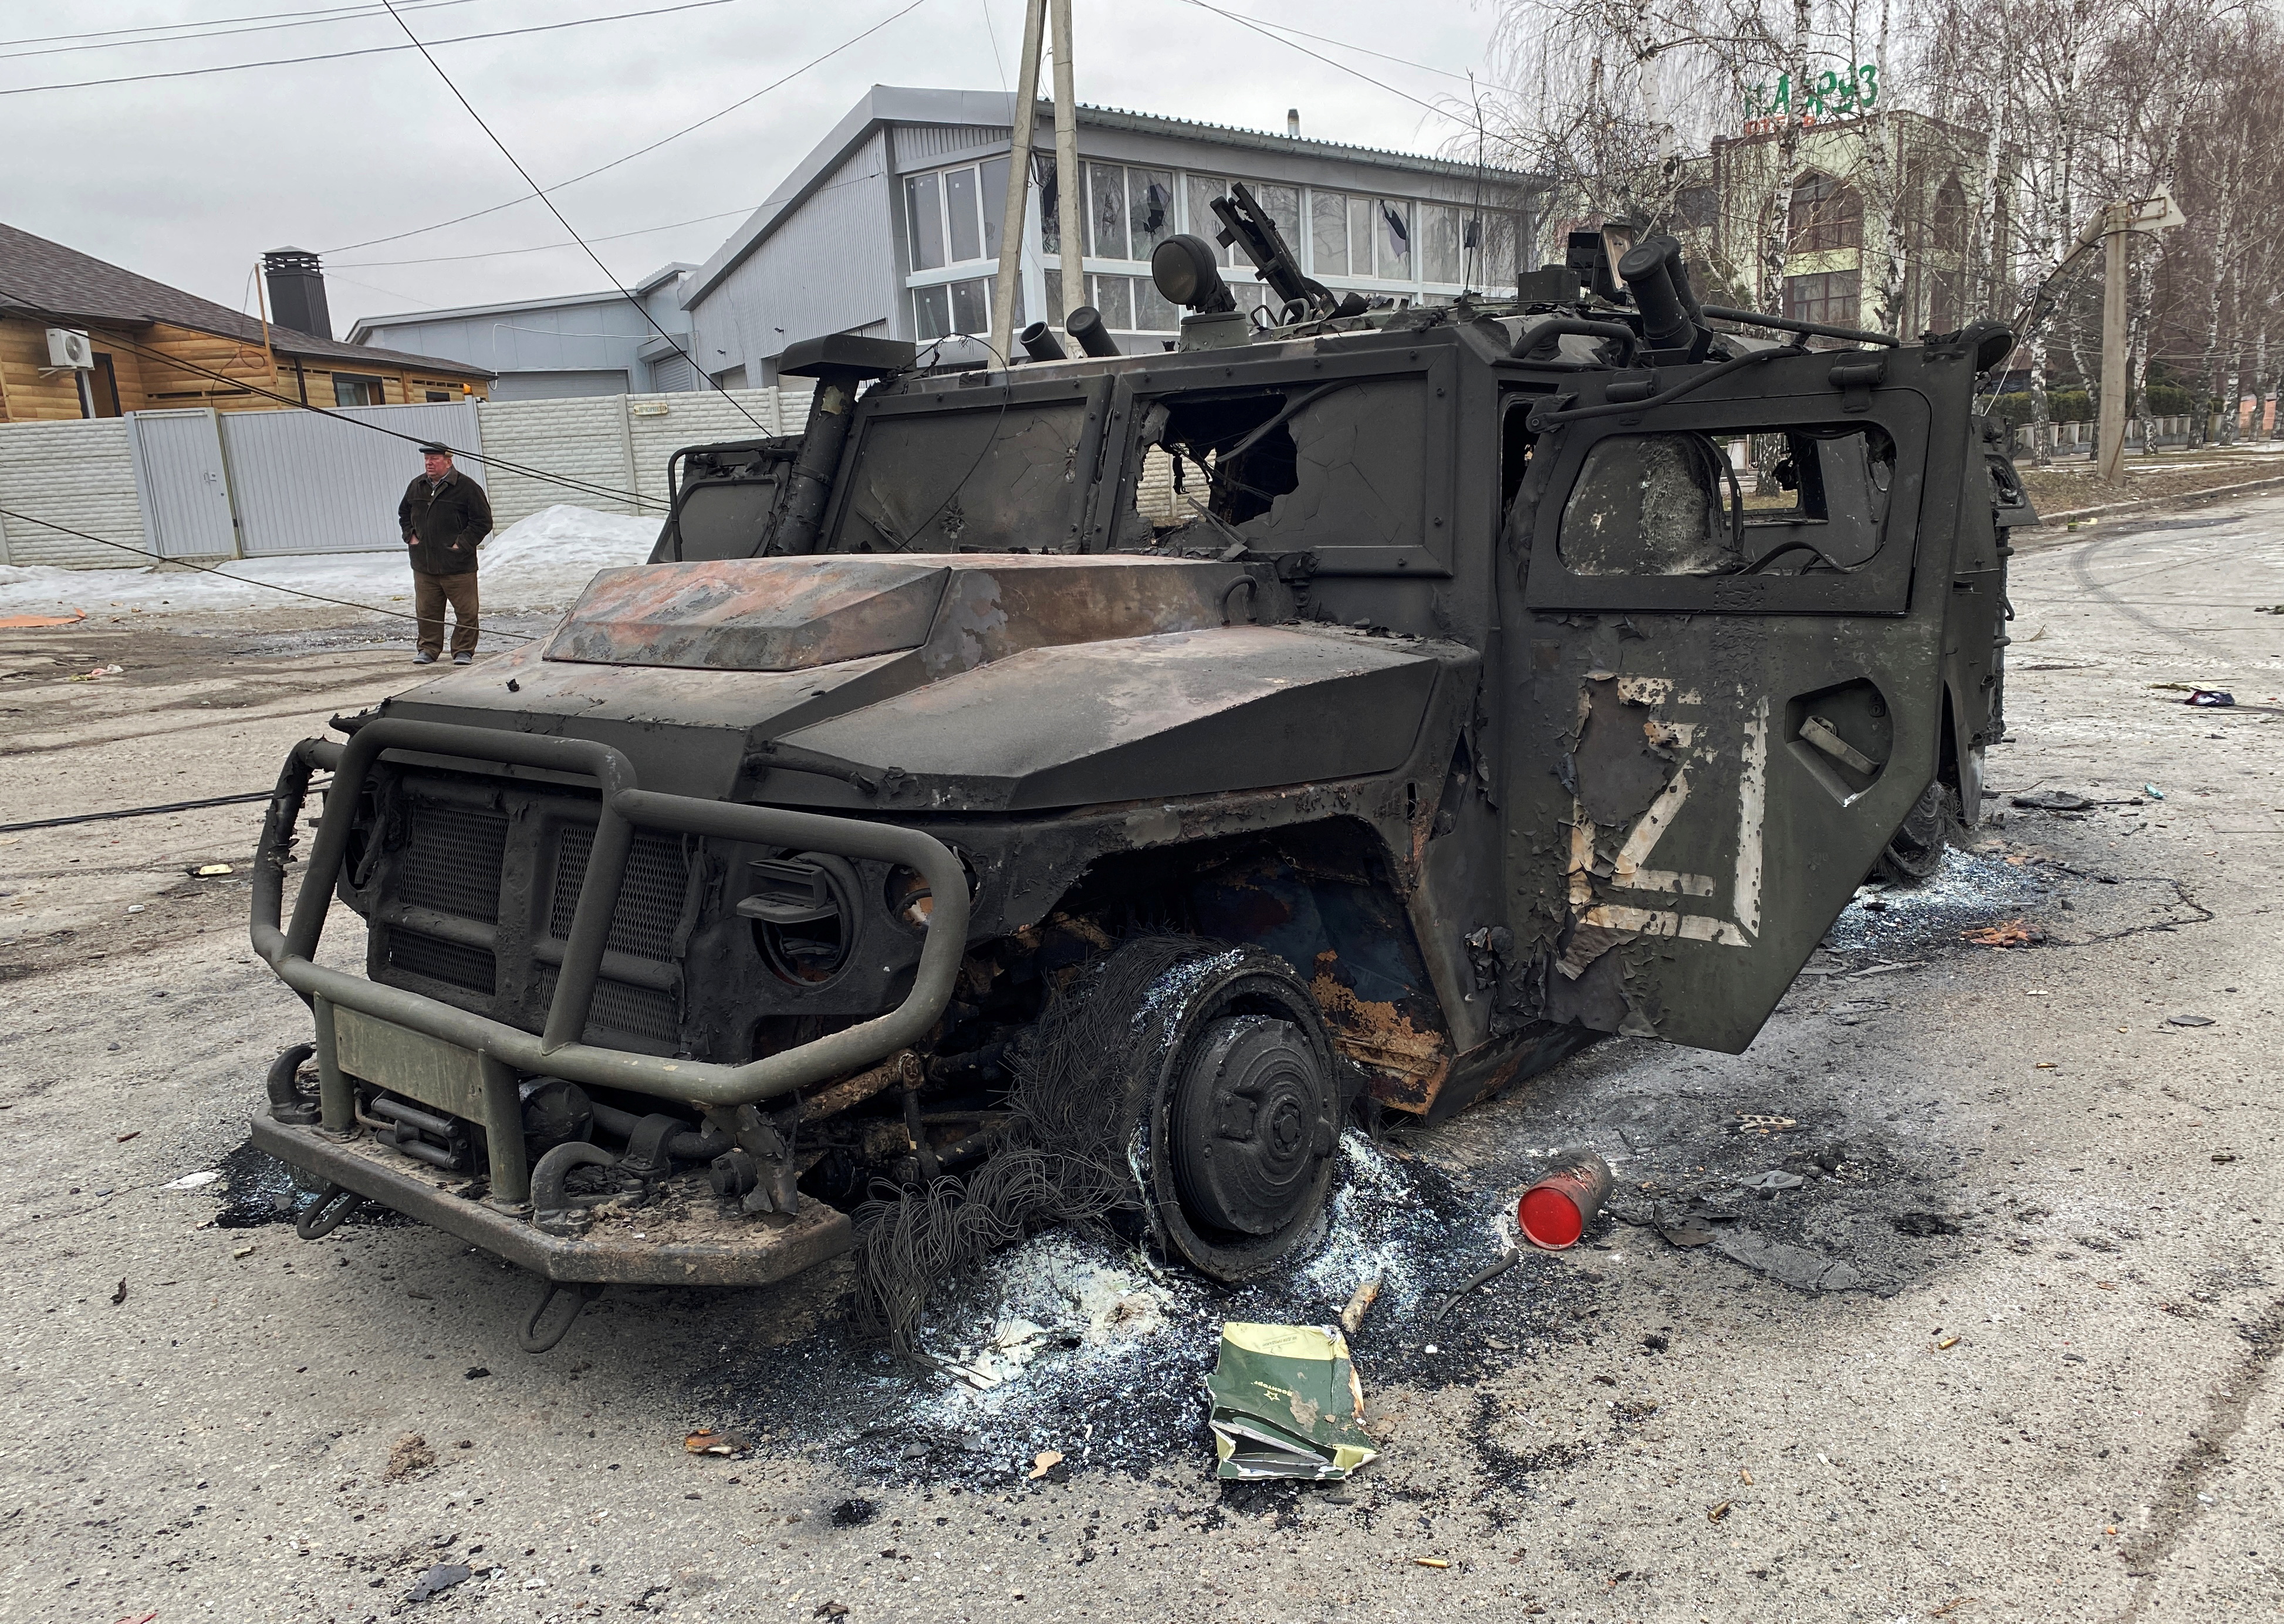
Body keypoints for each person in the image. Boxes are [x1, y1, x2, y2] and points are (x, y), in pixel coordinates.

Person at [397, 442, 493, 665]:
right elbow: (404, 513)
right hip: (424, 565)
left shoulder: (467, 487)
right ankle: (428, 650)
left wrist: (461, 544)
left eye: (434, 459)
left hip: (458, 566)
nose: (429, 463)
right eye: (427, 459)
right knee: (427, 611)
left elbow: (483, 521)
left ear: (448, 461)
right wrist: (410, 536)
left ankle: (463, 651)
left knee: (466, 612)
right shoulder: (417, 486)